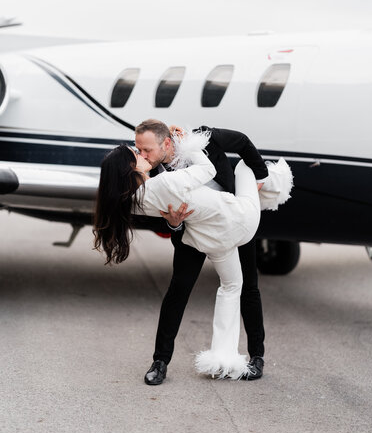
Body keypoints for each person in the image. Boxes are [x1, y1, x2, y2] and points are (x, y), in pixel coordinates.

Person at [93, 130, 264, 379]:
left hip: (231, 218)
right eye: (139, 151)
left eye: (146, 149)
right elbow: (160, 216)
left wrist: (262, 175)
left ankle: (256, 356)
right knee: (178, 293)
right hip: (194, 236)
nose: (144, 155)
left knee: (248, 287)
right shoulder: (154, 179)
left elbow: (243, 142)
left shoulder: (205, 138)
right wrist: (174, 223)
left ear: (167, 142)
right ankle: (160, 362)